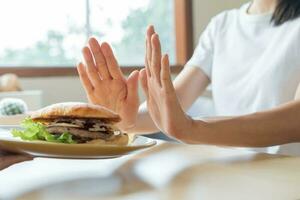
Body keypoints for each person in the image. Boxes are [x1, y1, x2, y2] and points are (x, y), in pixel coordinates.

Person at [77, 0, 300, 149]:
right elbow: (174, 105)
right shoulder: (222, 25)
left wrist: (194, 129)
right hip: (230, 176)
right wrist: (125, 119)